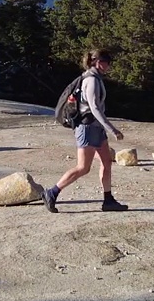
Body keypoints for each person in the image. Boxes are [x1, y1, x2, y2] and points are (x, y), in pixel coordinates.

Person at [43, 49, 128, 213]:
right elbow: (94, 107)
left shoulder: (95, 78)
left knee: (106, 162)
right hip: (87, 127)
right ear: (98, 62)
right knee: (83, 167)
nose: (109, 65)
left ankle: (108, 200)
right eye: (107, 62)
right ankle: (52, 193)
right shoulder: (91, 80)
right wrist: (112, 129)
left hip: (96, 128)